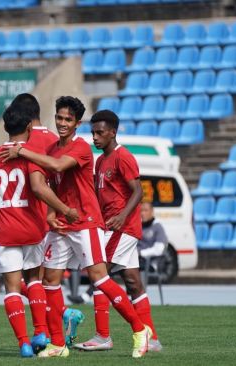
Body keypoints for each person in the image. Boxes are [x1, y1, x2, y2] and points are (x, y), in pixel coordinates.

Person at [0, 97, 151, 359]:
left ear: (77, 123)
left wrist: (21, 151)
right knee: (50, 280)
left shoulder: (80, 148)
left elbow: (58, 167)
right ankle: (58, 344)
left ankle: (139, 330)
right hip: (63, 225)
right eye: (59, 118)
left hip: (85, 223)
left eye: (68, 120)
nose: (62, 123)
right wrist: (50, 213)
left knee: (100, 279)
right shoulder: (51, 149)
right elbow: (51, 185)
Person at [0, 104, 79, 357]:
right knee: (35, 280)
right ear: (30, 127)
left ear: (5, 127)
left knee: (12, 288)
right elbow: (38, 188)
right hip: (32, 226)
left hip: (6, 227)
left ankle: (23, 343)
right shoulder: (34, 154)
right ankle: (41, 331)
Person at [76, 109, 161, 353]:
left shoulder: (123, 157)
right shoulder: (101, 160)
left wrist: (121, 216)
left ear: (113, 132)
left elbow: (138, 192)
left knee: (99, 275)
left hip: (121, 227)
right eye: (92, 133)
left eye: (100, 133)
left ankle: (103, 336)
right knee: (133, 282)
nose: (95, 137)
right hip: (114, 226)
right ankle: (152, 339)